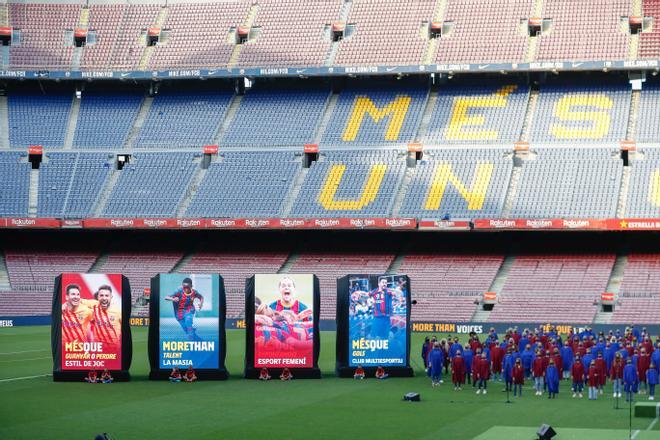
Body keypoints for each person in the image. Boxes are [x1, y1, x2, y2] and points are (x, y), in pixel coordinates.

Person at [86, 285, 122, 351]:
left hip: (113, 348)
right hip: (98, 348)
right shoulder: (92, 311)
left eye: (106, 296)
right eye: (101, 296)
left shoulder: (117, 311)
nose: (104, 299)